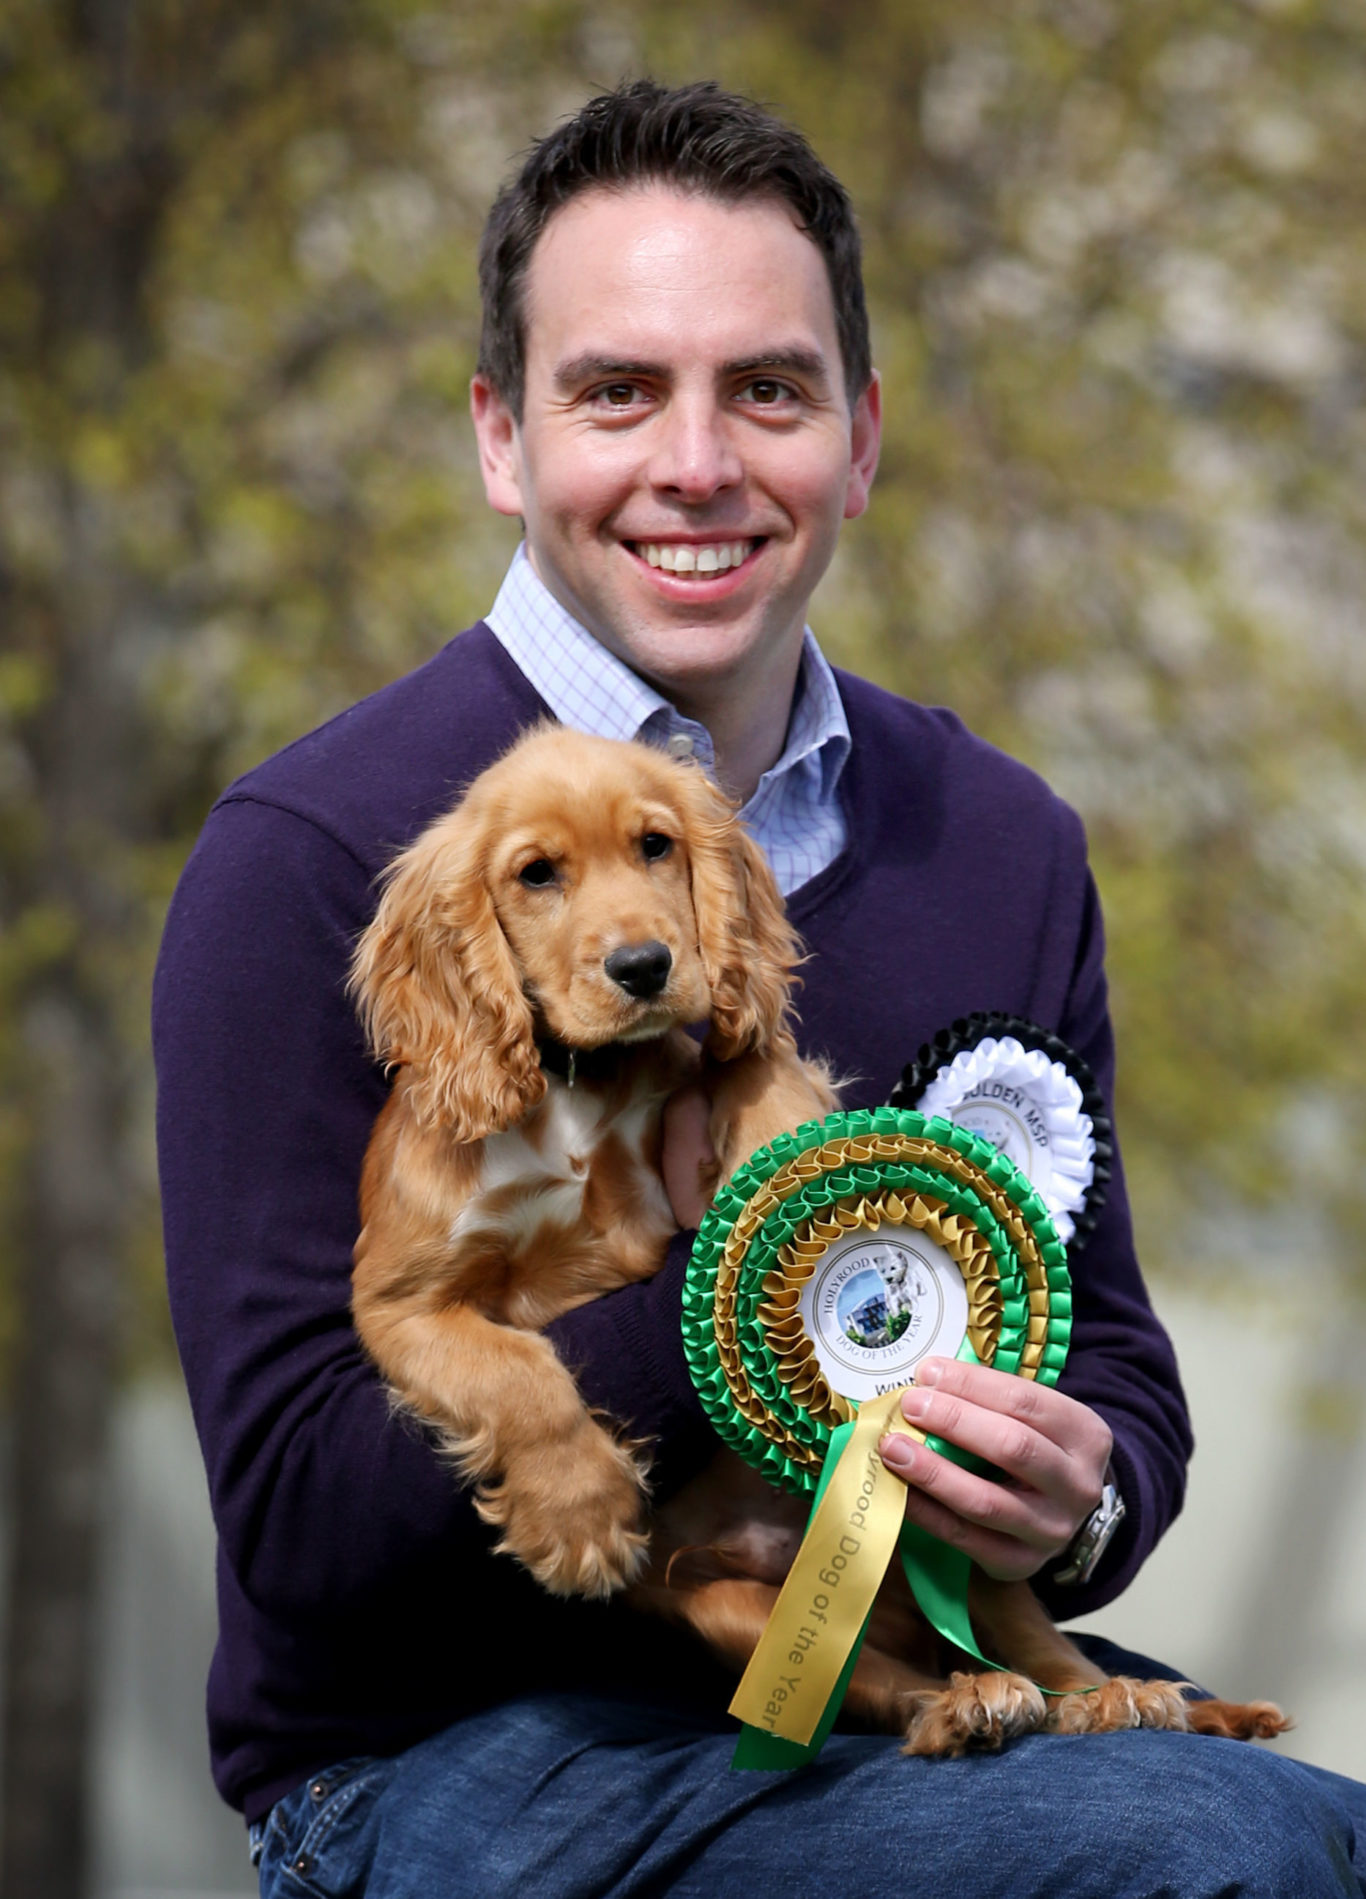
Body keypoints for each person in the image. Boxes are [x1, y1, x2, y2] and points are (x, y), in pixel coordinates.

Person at [153, 78, 1366, 1898]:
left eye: (770, 391)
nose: (699, 463)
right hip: (458, 1758)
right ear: (501, 435)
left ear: (860, 441)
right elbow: (304, 1524)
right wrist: (737, 1266)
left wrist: (1078, 1487)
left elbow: (1105, 1349)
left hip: (912, 1670)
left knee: (1300, 1834)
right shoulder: (310, 858)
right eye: (616, 390)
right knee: (1210, 1855)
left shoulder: (1002, 841)